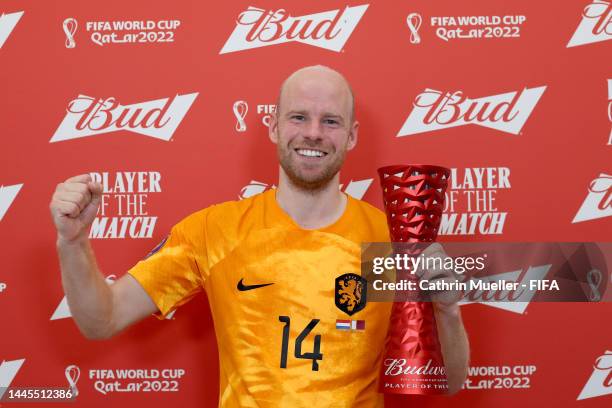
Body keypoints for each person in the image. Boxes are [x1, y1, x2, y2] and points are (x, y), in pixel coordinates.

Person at [50, 65, 469, 407]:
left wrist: (448, 314)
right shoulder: (214, 231)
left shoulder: (389, 242)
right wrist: (73, 242)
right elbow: (101, 320)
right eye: (298, 117)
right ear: (273, 126)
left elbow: (447, 382)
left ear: (352, 136)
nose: (313, 133)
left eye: (331, 121)